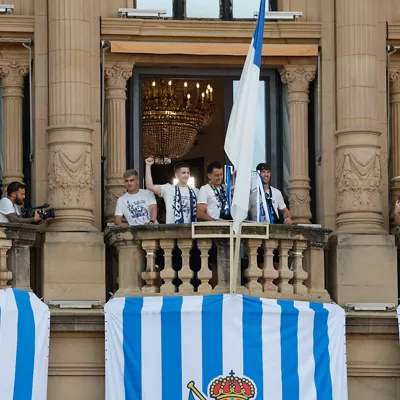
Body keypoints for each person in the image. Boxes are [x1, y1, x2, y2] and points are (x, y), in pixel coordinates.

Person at [145, 158, 199, 224]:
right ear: (176, 175)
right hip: (172, 229)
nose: (186, 175)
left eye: (188, 173)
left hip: (192, 228)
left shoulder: (196, 191)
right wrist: (148, 166)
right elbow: (150, 186)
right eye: (183, 173)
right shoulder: (168, 189)